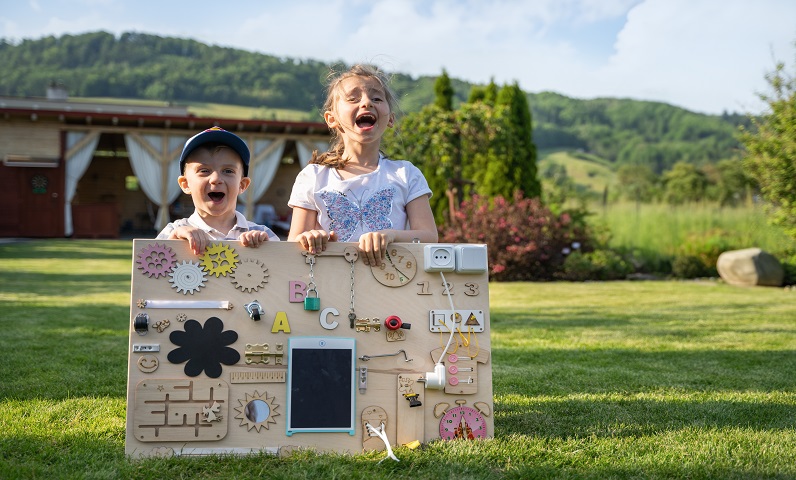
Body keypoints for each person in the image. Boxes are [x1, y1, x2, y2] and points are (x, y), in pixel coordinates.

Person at [288, 64, 438, 266]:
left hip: (391, 286)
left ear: (391, 118)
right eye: (353, 98)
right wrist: (310, 237)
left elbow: (429, 236)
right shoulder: (313, 177)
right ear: (332, 119)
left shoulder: (406, 174)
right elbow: (293, 243)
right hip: (331, 286)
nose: (367, 103)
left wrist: (390, 235)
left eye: (376, 98)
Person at [157, 127, 279, 255]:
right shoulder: (174, 231)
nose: (216, 179)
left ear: (242, 185)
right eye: (204, 171)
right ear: (186, 184)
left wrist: (268, 249)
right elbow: (151, 270)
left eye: (228, 171)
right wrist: (173, 243)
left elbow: (286, 272)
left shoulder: (264, 235)